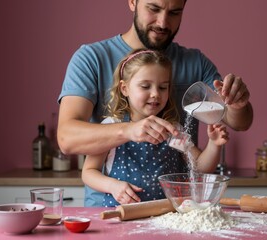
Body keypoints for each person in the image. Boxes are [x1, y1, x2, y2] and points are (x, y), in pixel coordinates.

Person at [57, 0, 253, 206]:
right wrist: (129, 131)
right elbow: (66, 139)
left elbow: (239, 122)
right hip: (110, 214)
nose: (162, 22)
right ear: (133, 2)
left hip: (169, 214)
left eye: (175, 12)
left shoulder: (195, 65)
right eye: (154, 8)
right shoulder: (91, 58)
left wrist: (236, 103)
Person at [81, 49, 228, 206]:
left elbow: (199, 167)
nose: (155, 94)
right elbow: (89, 172)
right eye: (145, 86)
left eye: (163, 87)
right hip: (122, 216)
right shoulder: (112, 127)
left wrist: (214, 144)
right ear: (125, 89)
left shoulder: (172, 130)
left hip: (166, 218)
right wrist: (112, 186)